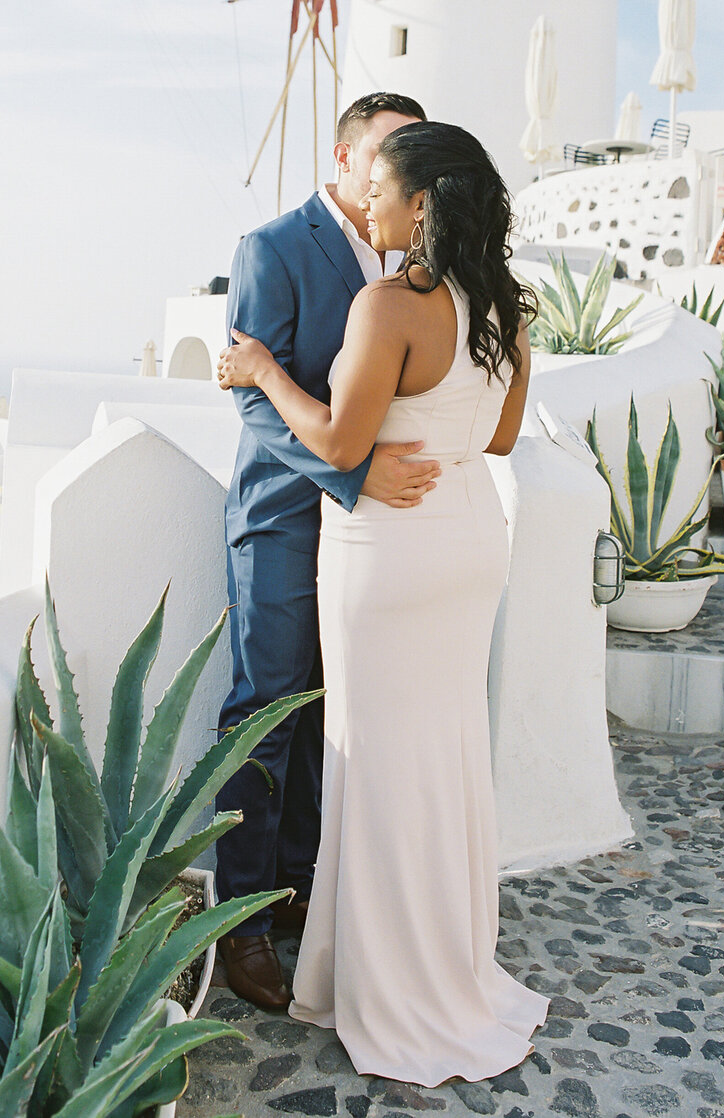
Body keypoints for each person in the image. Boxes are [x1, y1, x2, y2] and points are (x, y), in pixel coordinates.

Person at [217, 120, 548, 1086]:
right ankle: (445, 962)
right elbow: (498, 439)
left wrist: (264, 371)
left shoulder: (387, 303)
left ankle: (386, 980)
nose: (374, 205)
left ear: (423, 205)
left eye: (390, 191)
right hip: (468, 539)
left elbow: (334, 443)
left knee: (372, 755)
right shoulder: (508, 307)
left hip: (392, 553)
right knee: (443, 748)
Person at [215, 92, 438, 1012]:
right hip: (282, 520)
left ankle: (303, 885)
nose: (395, 171)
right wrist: (352, 478)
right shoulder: (271, 246)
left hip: (374, 535)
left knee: (335, 711)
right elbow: (254, 398)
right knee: (267, 709)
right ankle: (239, 925)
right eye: (385, 152)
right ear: (344, 156)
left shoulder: (414, 261)